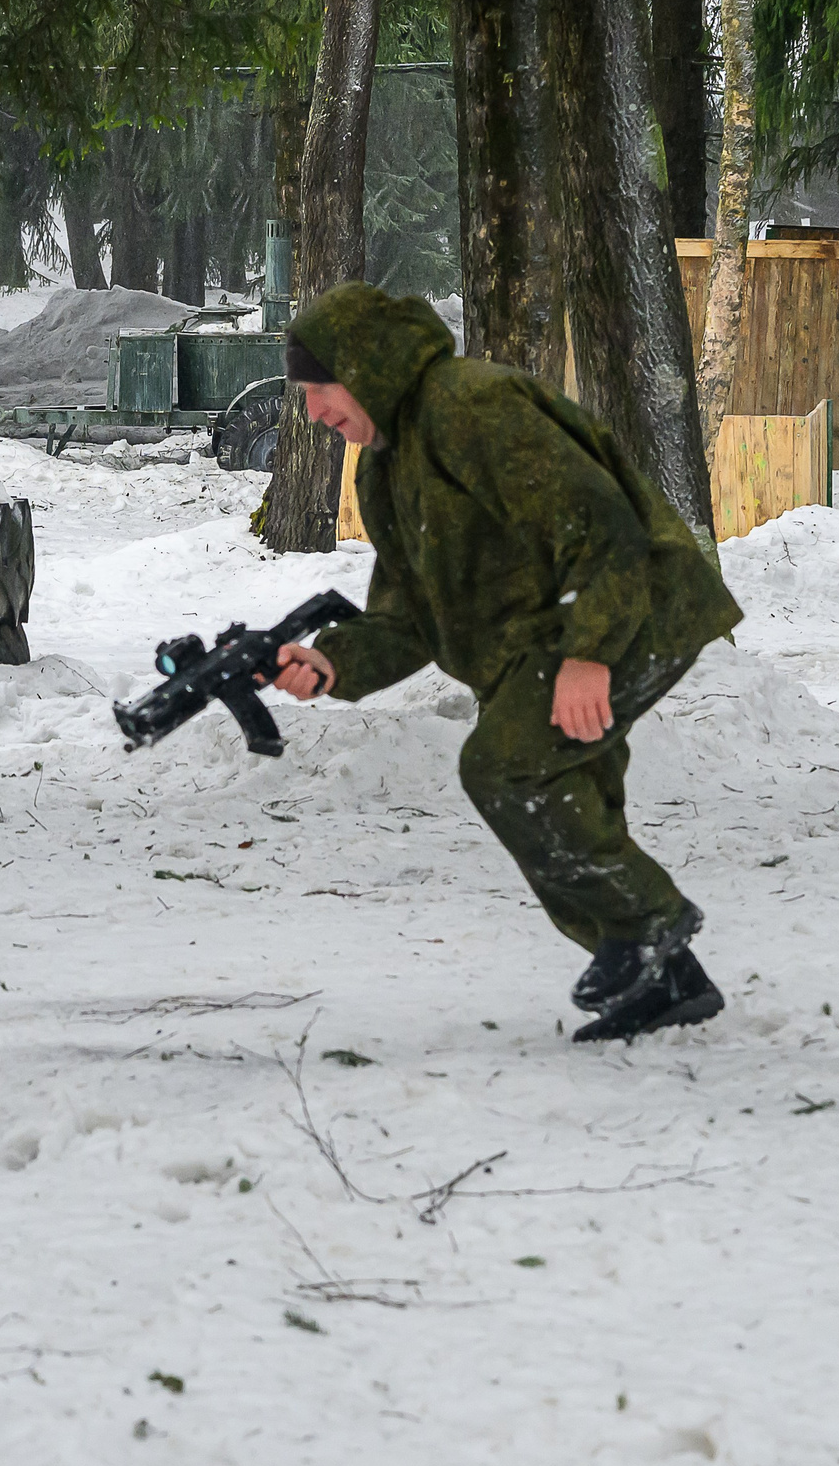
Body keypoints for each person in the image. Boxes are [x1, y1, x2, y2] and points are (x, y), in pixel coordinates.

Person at [264, 281, 744, 1043]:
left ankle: (650, 922)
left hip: (632, 607)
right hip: (552, 636)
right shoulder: (386, 468)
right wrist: (331, 665)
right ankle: (669, 981)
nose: (317, 411)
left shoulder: (468, 406)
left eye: (323, 387)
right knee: (569, 797)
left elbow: (601, 521)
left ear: (370, 365)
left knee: (508, 766)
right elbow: (407, 616)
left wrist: (590, 656)